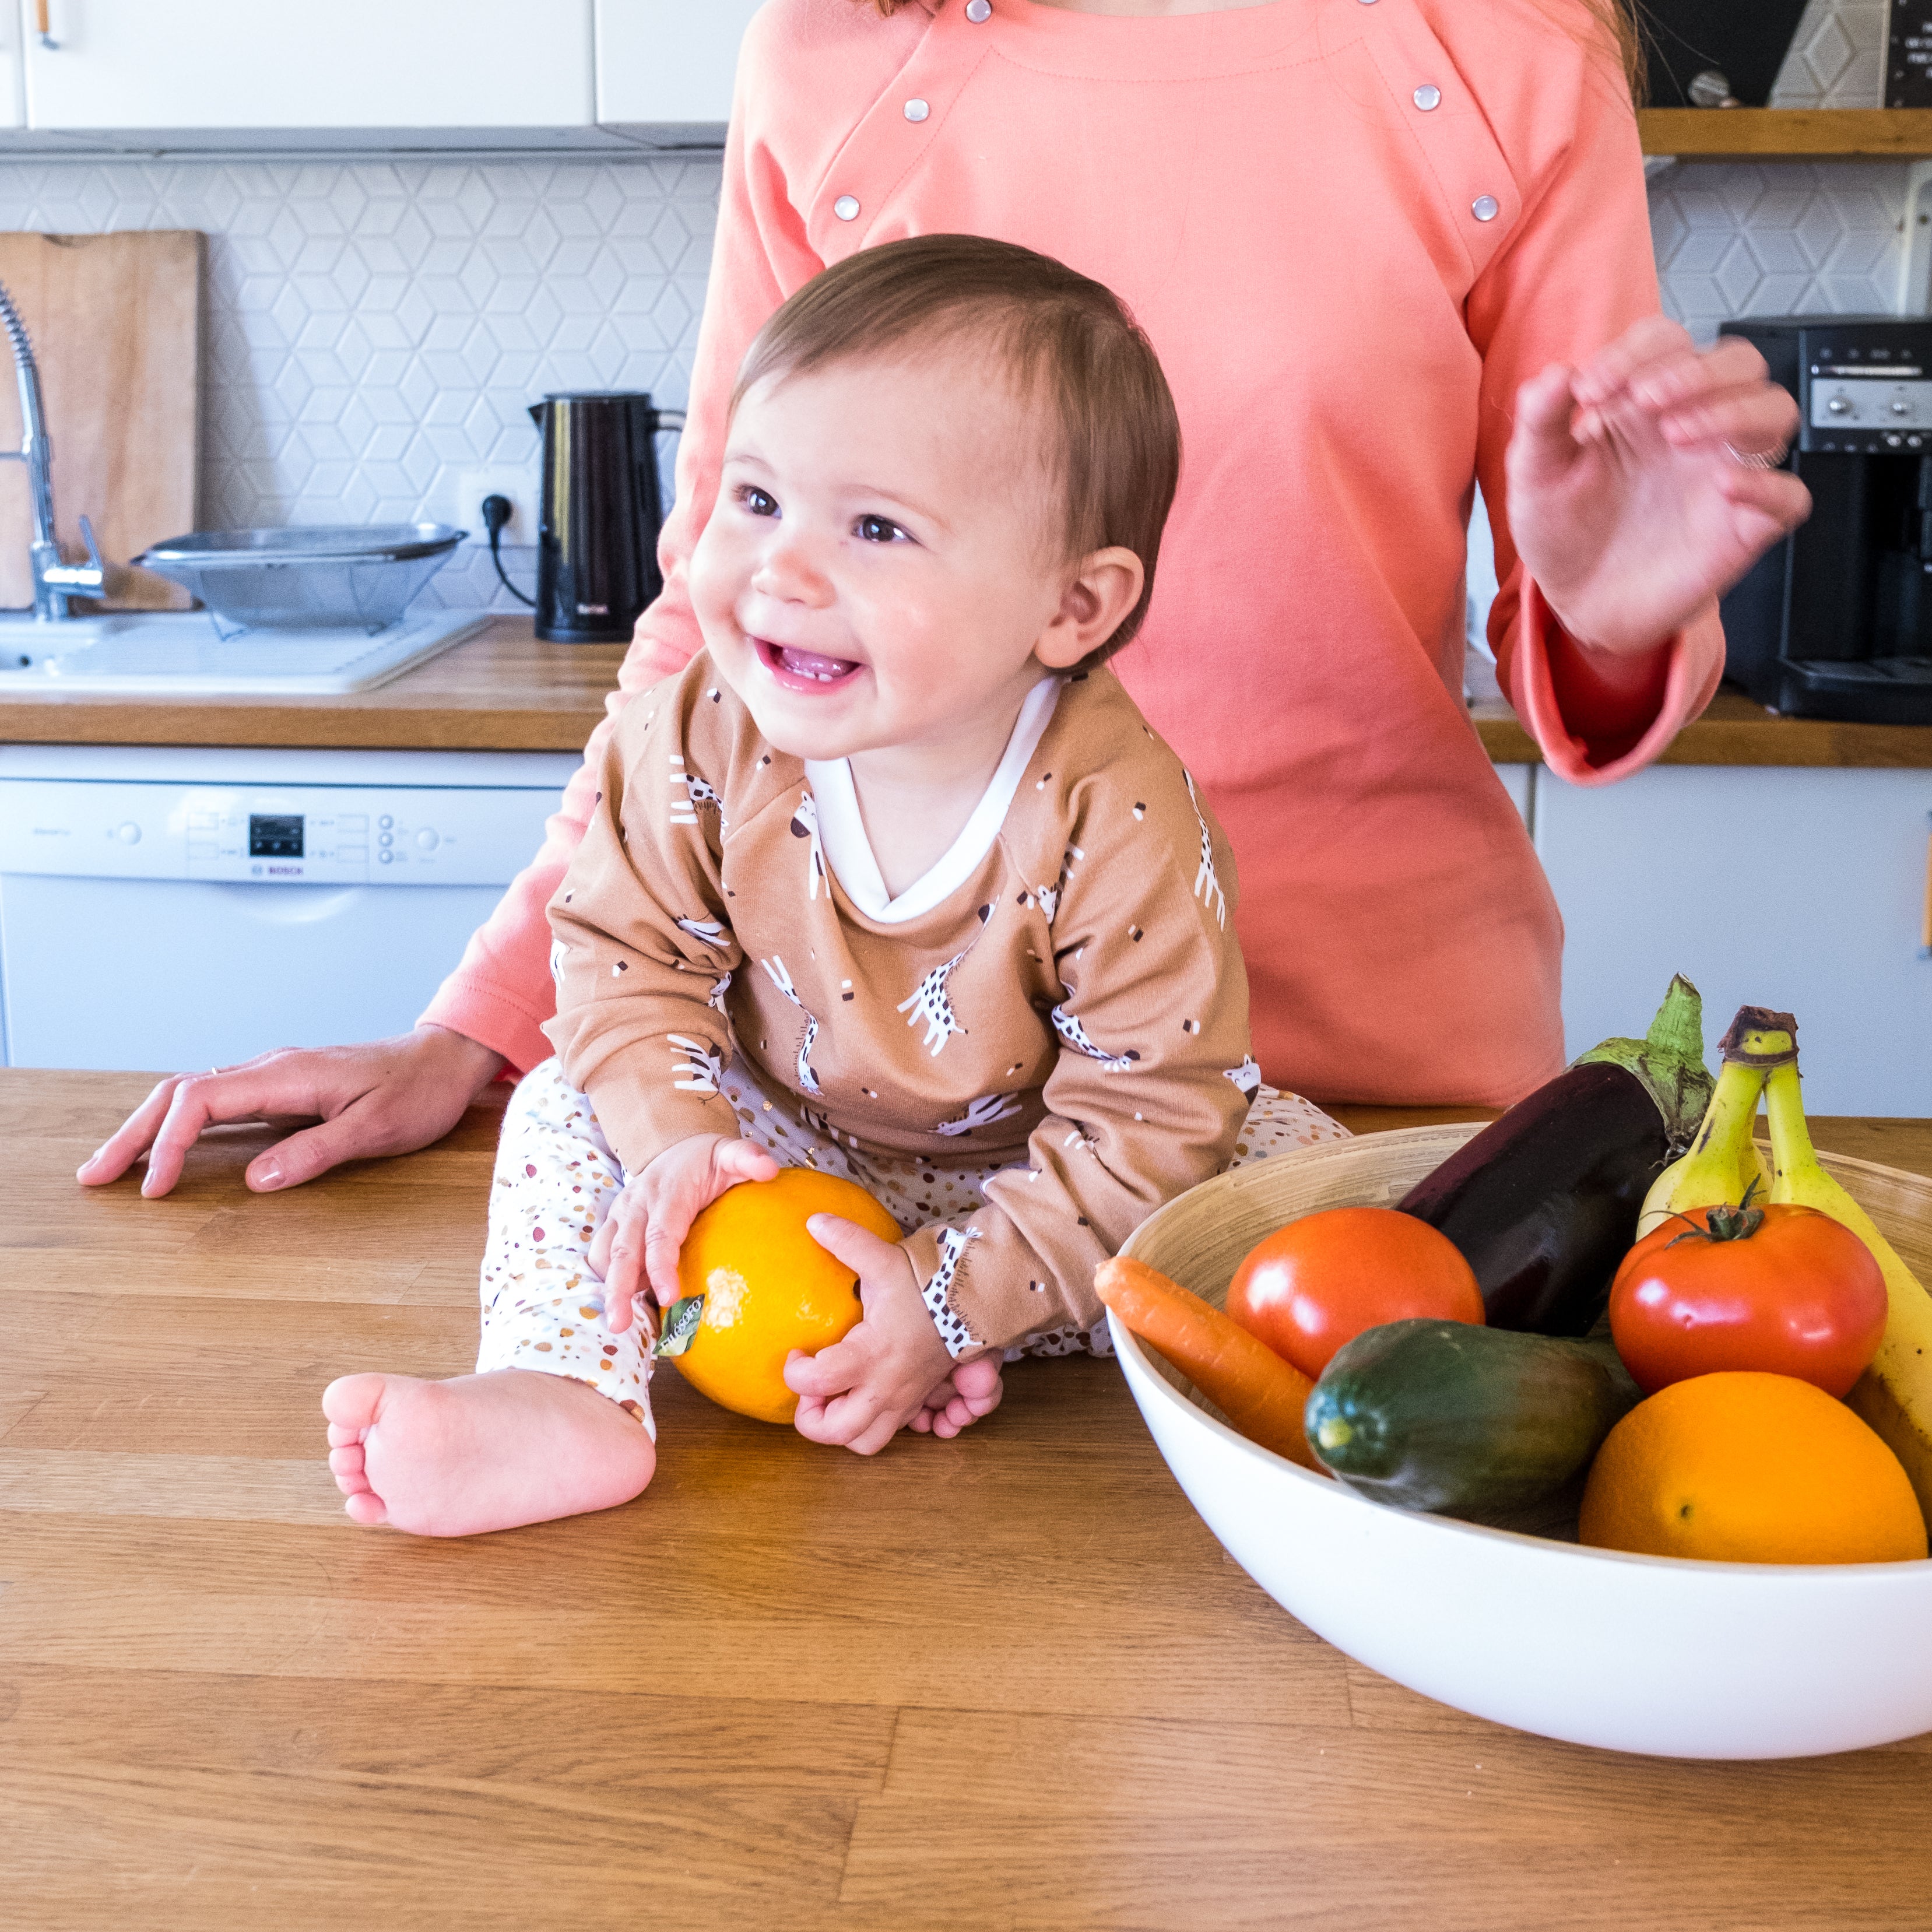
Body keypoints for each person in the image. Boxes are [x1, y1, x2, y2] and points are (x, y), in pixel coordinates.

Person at [80, 0, 1806, 1200]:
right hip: (904, 1107)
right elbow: (716, 634)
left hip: (1372, 1088)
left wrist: (1599, 607)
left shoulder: (1500, 55)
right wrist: (481, 1022)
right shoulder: (836, 61)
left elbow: (1593, 616)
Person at [321, 236, 1346, 1533]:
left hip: (1027, 1167)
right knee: (561, 1110)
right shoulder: (693, 731)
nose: (781, 572)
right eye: (755, 500)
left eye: (874, 527)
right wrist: (686, 1155)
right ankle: (563, 1386)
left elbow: (1147, 1108)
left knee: (1290, 1175)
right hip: (776, 1148)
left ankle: (930, 1333)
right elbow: (625, 967)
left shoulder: (1118, 813)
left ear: (1074, 607)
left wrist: (955, 1295)